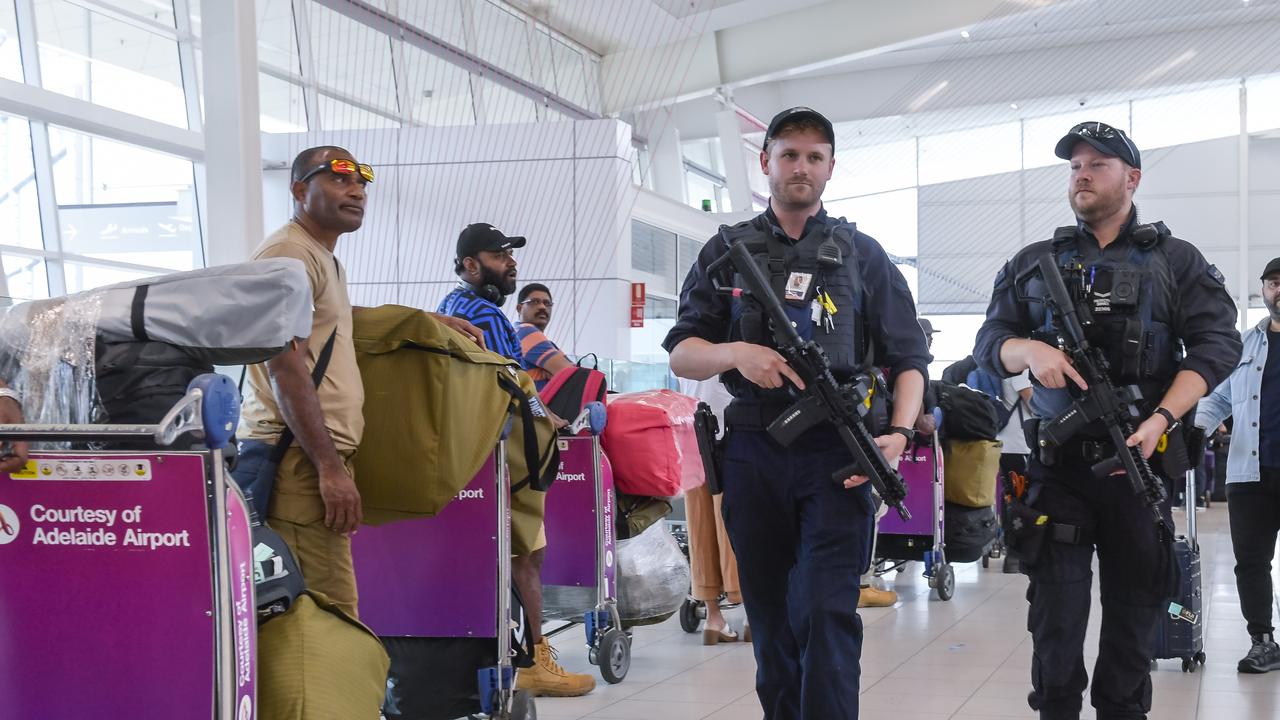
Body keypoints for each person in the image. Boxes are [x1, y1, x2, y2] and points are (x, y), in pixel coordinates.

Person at [664, 106, 930, 719]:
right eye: (789, 154)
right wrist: (738, 353)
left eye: (814, 157)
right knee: (771, 619)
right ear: (766, 163)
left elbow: (909, 358)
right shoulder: (725, 252)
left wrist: (894, 432)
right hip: (755, 451)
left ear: (831, 167)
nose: (801, 167)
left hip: (840, 454)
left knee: (826, 611)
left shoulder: (863, 254)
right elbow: (683, 352)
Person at [974, 122, 1241, 720]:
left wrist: (1164, 416)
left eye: (1097, 164)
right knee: (1056, 621)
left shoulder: (1176, 261)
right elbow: (990, 339)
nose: (1082, 174)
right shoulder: (1034, 263)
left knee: (1133, 617)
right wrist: (1029, 352)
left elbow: (1217, 346)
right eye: (1074, 166)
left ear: (1133, 177)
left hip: (1137, 462)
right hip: (1058, 470)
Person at [234, 146, 482, 619]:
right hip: (300, 461)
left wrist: (425, 320)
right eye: (340, 179)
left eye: (362, 183)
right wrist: (328, 468)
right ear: (300, 189)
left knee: (314, 608)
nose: (357, 191)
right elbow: (285, 370)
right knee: (331, 612)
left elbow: (334, 320)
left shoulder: (319, 257)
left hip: (310, 456)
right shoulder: (288, 254)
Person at [438, 224, 595, 698]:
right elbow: (512, 391)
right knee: (527, 553)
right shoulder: (484, 315)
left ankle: (515, 655)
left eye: (510, 254)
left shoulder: (451, 307)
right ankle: (532, 660)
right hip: (500, 455)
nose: (510, 263)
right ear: (470, 264)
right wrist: (551, 427)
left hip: (469, 455)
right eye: (499, 255)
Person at [1194, 257, 1280, 674]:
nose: (1279, 289)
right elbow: (1218, 397)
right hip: (1250, 473)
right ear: (1263, 290)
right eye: (1273, 282)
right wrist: (1196, 430)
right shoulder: (1245, 344)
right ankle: (1262, 641)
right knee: (1250, 560)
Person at [677, 375, 747, 645]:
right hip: (732, 435)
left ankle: (713, 618)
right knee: (738, 524)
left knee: (699, 527)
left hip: (691, 434)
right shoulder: (733, 338)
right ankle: (751, 612)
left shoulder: (687, 339)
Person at [515, 283, 573, 390]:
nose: (542, 307)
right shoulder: (525, 331)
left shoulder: (546, 343)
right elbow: (572, 375)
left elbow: (571, 372)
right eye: (535, 302)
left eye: (547, 303)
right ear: (519, 308)